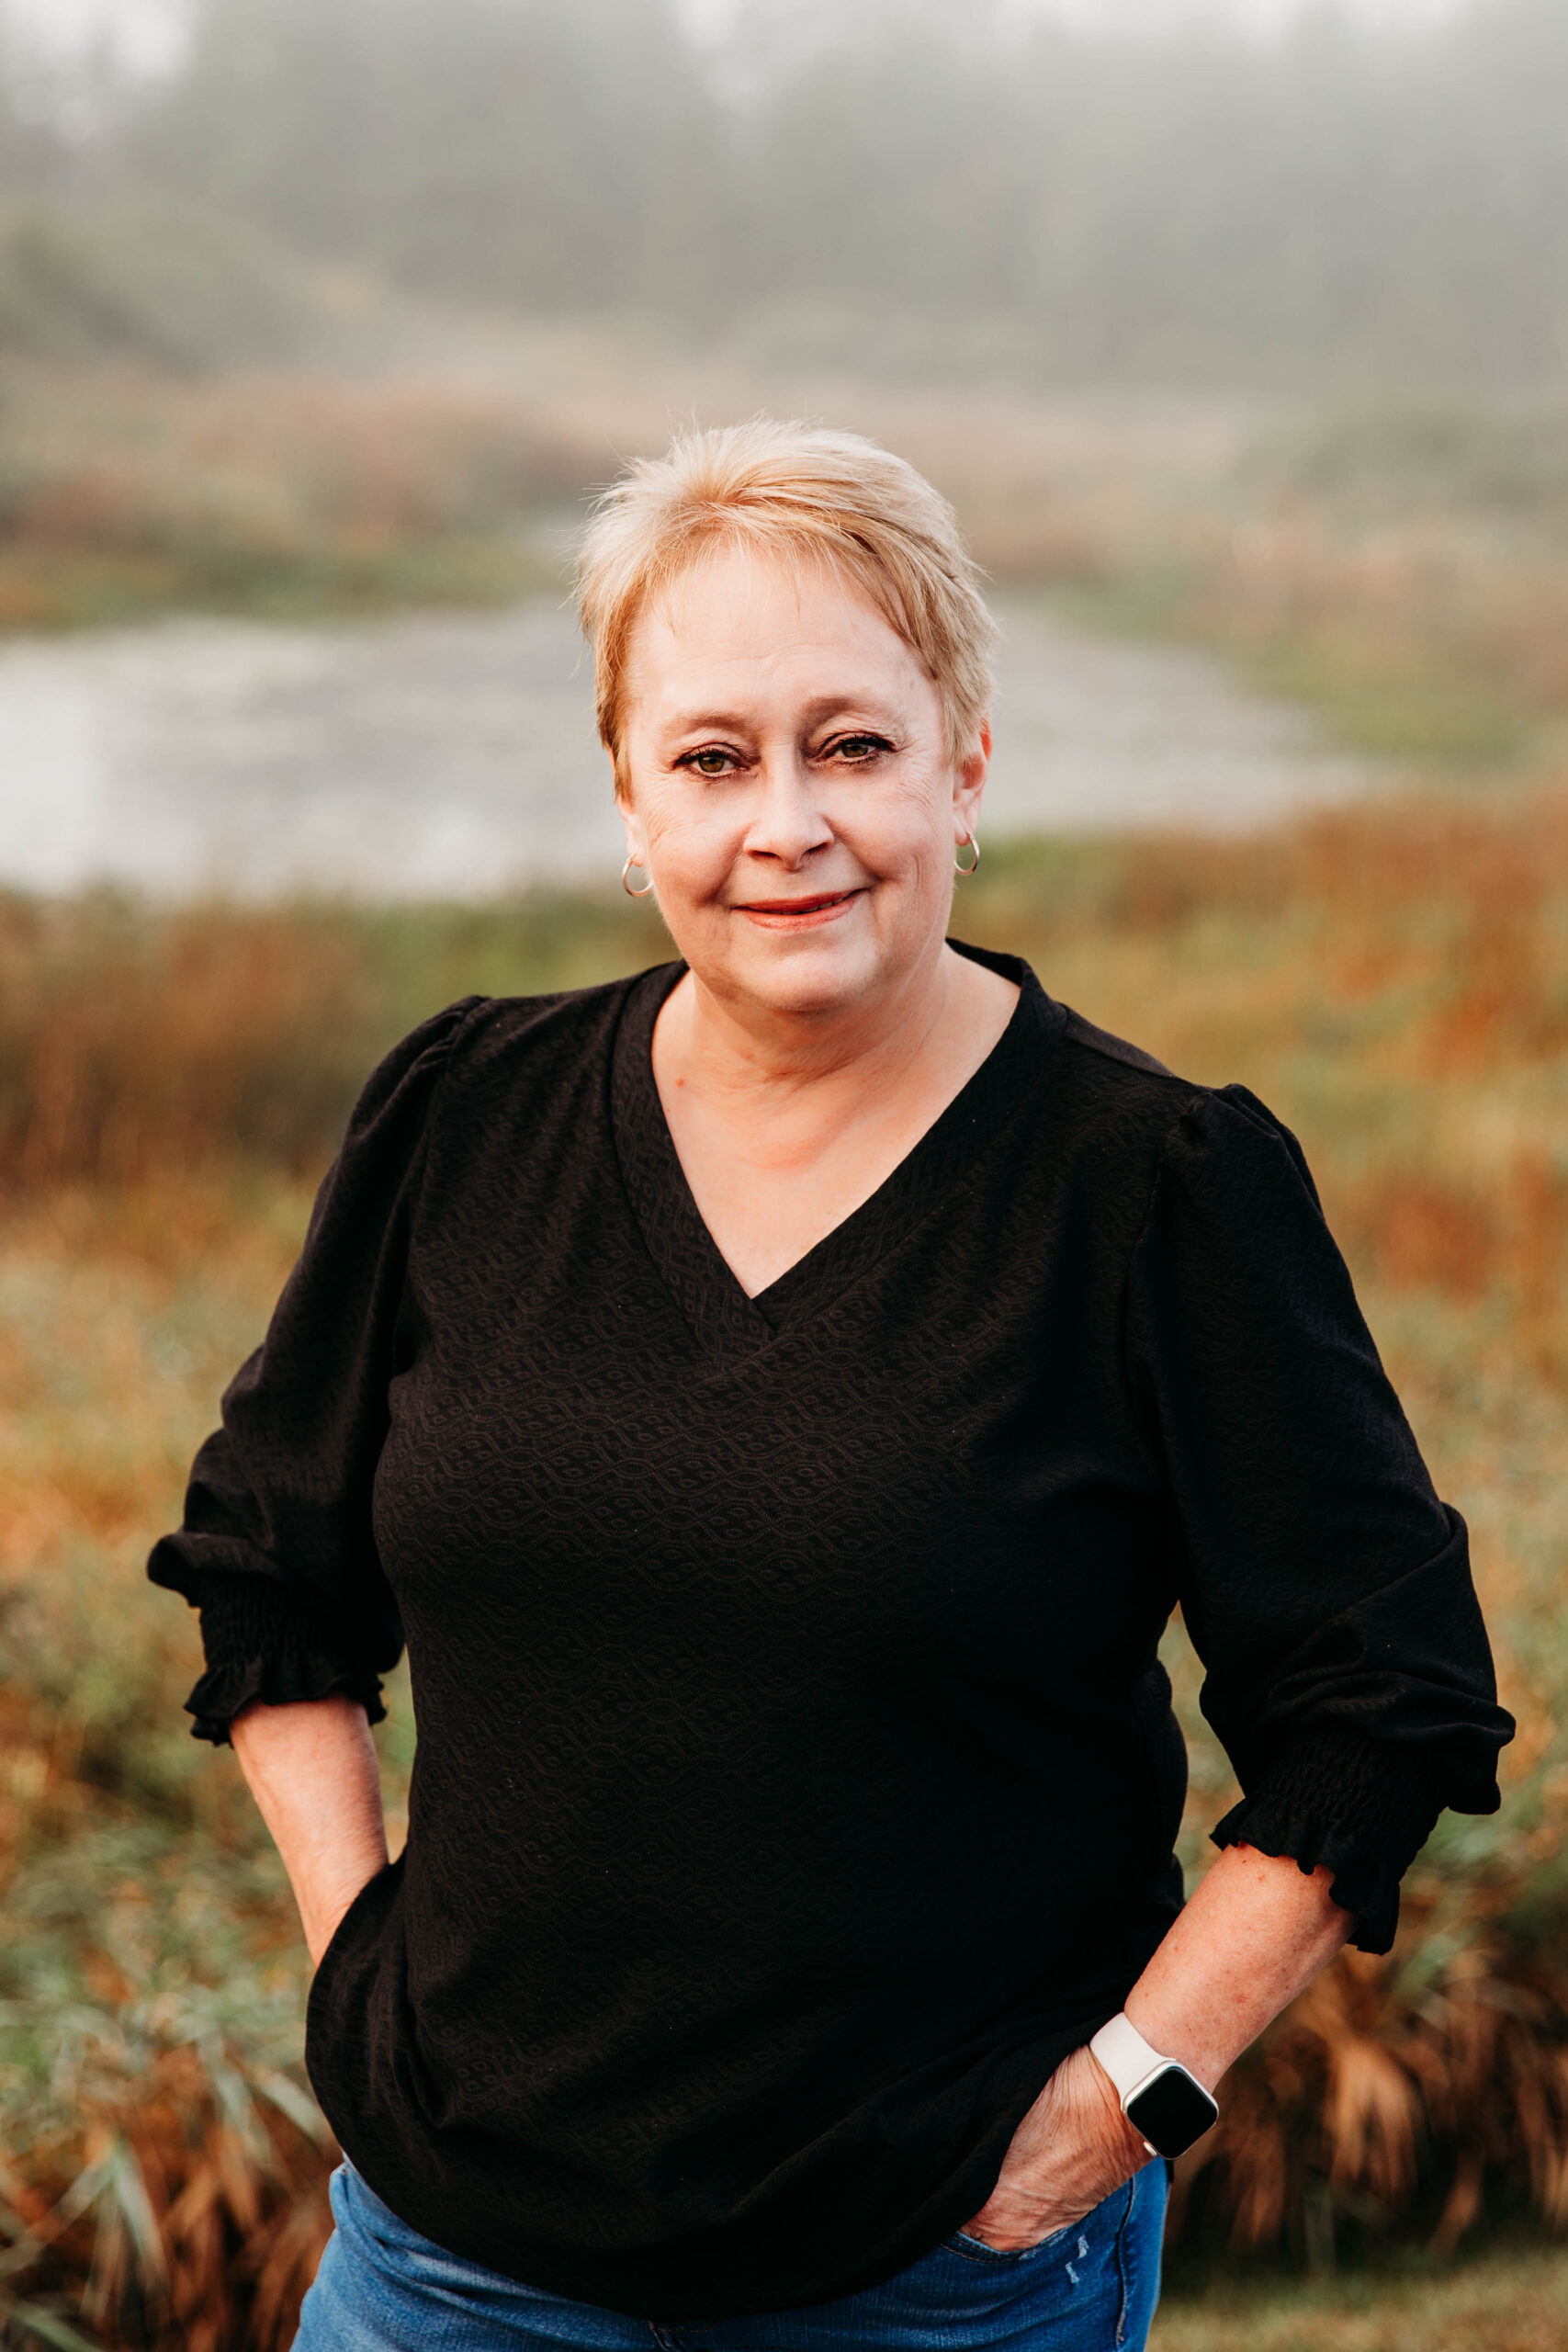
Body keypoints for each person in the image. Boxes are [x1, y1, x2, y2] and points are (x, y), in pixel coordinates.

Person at [149, 420, 1512, 2352]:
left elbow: (1379, 1699)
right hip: (446, 2260)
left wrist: (1118, 2106)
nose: (782, 822)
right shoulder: (464, 1114)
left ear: (967, 764)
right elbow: (265, 1566)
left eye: (851, 745)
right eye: (710, 759)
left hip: (932, 2274)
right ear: (628, 801)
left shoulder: (1151, 1185)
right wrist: (355, 1957)